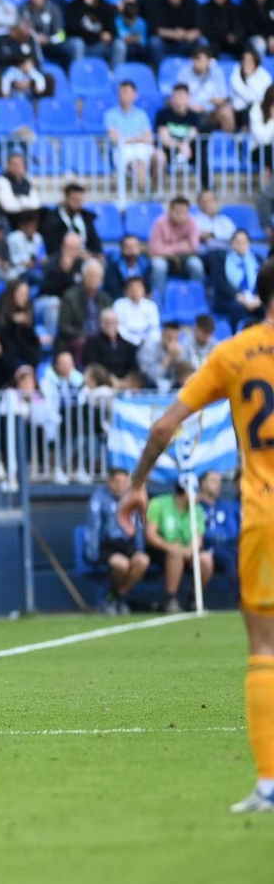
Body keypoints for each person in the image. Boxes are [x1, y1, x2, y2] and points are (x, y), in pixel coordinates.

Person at [118, 260, 274, 812]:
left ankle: (268, 784)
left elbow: (164, 426)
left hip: (263, 511)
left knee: (264, 647)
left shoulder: (235, 353)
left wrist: (138, 485)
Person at [144, 478, 213, 614]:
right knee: (175, 554)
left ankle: (194, 599)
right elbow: (150, 535)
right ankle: (170, 598)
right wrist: (170, 547)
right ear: (185, 492)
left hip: (187, 550)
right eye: (195, 492)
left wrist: (189, 549)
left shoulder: (197, 509)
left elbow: (198, 538)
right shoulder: (158, 504)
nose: (198, 496)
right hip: (160, 550)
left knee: (206, 559)